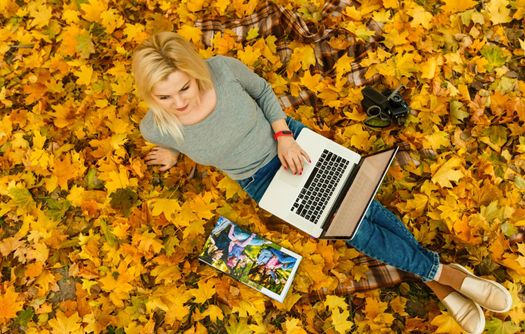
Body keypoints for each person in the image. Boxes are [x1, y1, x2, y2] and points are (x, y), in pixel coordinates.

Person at [132, 32, 512, 334]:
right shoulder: (156, 124)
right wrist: (172, 153)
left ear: (195, 71)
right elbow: (168, 136)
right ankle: (445, 279)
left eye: (184, 88)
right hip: (261, 182)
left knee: (358, 214)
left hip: (292, 143)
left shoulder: (222, 71)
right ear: (151, 95)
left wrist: (283, 136)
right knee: (356, 222)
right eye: (164, 96)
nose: (179, 102)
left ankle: (443, 280)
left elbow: (263, 93)